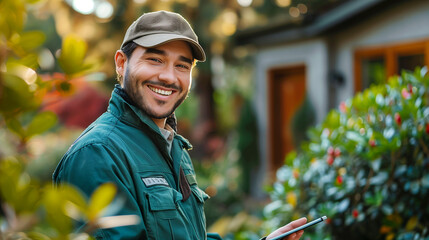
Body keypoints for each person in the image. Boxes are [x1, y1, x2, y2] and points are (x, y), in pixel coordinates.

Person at [53, 10, 307, 240]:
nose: (169, 77)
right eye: (155, 59)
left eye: (182, 66)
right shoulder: (98, 154)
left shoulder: (172, 147)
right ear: (121, 63)